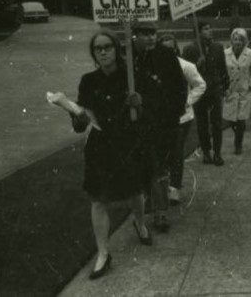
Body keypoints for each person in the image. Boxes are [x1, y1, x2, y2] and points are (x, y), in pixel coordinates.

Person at [69, 29, 151, 280]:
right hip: (100, 148)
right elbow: (80, 125)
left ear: (117, 49)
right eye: (98, 48)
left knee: (134, 191)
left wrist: (140, 104)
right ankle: (103, 252)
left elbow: (149, 116)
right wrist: (77, 115)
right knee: (98, 199)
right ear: (94, 53)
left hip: (128, 145)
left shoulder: (132, 78)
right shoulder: (88, 81)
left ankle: (140, 223)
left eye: (107, 47)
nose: (103, 52)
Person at [132, 21, 188, 233]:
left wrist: (175, 113)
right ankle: (150, 202)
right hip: (137, 122)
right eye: (144, 34)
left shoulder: (166, 55)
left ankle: (160, 211)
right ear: (134, 35)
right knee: (143, 166)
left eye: (153, 33)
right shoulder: (128, 58)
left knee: (159, 165)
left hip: (163, 121)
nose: (150, 38)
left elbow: (179, 86)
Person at [159, 34, 206, 205]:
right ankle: (161, 185)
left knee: (177, 152)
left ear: (176, 49)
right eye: (164, 49)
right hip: (161, 118)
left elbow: (200, 85)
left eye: (171, 49)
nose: (168, 52)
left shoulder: (186, 66)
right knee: (162, 153)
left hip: (182, 118)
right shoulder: (155, 66)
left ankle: (174, 188)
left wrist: (187, 102)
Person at [182, 22, 229, 166]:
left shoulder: (218, 47)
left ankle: (217, 154)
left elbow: (222, 69)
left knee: (216, 122)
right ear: (198, 32)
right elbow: (185, 73)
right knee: (202, 123)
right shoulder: (190, 49)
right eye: (206, 29)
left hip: (214, 89)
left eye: (210, 28)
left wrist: (225, 86)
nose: (210, 31)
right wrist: (197, 64)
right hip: (199, 91)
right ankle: (206, 153)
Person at [222, 28, 251, 155]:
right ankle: (237, 135)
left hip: (244, 91)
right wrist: (224, 87)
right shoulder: (225, 53)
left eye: (240, 40)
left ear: (244, 42)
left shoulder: (250, 54)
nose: (237, 42)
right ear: (231, 40)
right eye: (235, 39)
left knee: (241, 120)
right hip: (230, 91)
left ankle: (238, 143)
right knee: (231, 119)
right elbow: (221, 71)